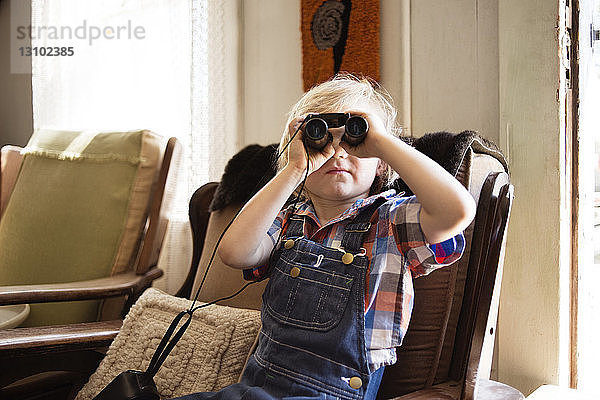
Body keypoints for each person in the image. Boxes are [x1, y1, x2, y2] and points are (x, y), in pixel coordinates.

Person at [173, 73, 476, 400]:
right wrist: (293, 169)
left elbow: (457, 211)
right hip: (254, 388)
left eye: (354, 140)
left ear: (382, 166)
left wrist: (382, 142)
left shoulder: (391, 221)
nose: (338, 152)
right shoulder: (289, 218)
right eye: (321, 139)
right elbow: (234, 252)